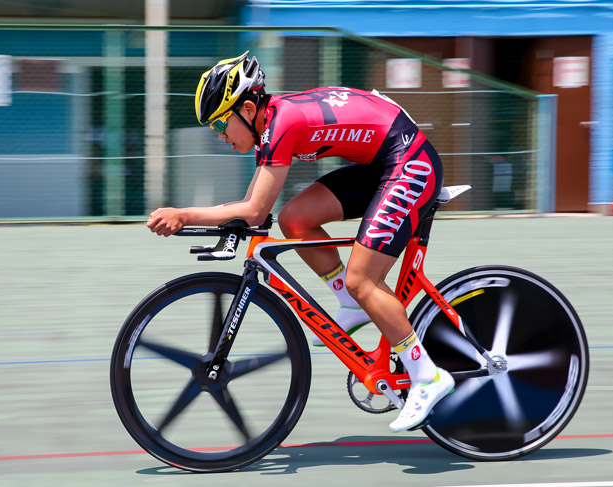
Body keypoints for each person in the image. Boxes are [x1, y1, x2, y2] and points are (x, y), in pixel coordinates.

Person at [147, 51, 454, 432]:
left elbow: (256, 211)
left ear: (246, 107)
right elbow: (252, 207)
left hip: (410, 164)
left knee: (365, 280)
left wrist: (184, 214)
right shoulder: (270, 122)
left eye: (221, 124)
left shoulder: (282, 124)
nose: (221, 136)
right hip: (383, 163)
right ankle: (351, 301)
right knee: (295, 219)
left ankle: (427, 375)